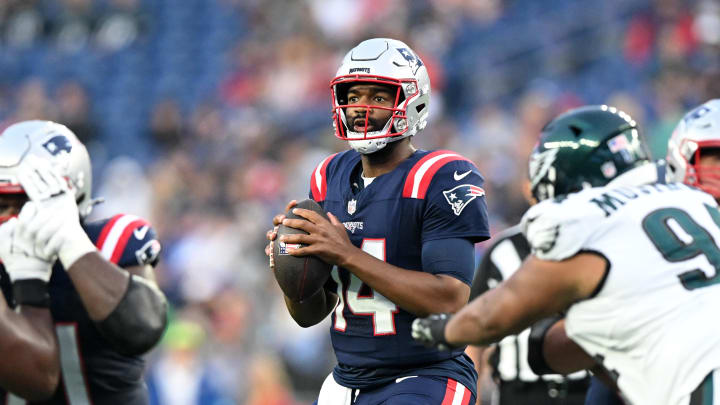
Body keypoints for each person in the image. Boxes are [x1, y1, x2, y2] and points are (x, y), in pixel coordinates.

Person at [412, 105, 720, 405]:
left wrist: (443, 329)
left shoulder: (583, 217)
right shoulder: (690, 198)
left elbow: (492, 317)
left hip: (700, 377)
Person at [265, 38, 490, 404]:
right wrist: (291, 269)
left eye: (378, 97)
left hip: (425, 377)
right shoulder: (328, 176)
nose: (360, 108)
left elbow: (451, 300)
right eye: (353, 97)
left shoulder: (441, 175)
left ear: (411, 100)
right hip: (345, 382)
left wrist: (345, 254)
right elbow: (309, 316)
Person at [0, 120, 167, 404]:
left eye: (21, 201)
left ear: (69, 195)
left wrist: (71, 242)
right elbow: (38, 381)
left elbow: (143, 329)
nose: (9, 217)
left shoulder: (112, 240)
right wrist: (28, 281)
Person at [469, 219, 591, 404]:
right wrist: (473, 394)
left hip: (584, 388)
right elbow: (475, 328)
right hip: (520, 391)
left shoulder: (594, 240)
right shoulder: (503, 249)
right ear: (528, 190)